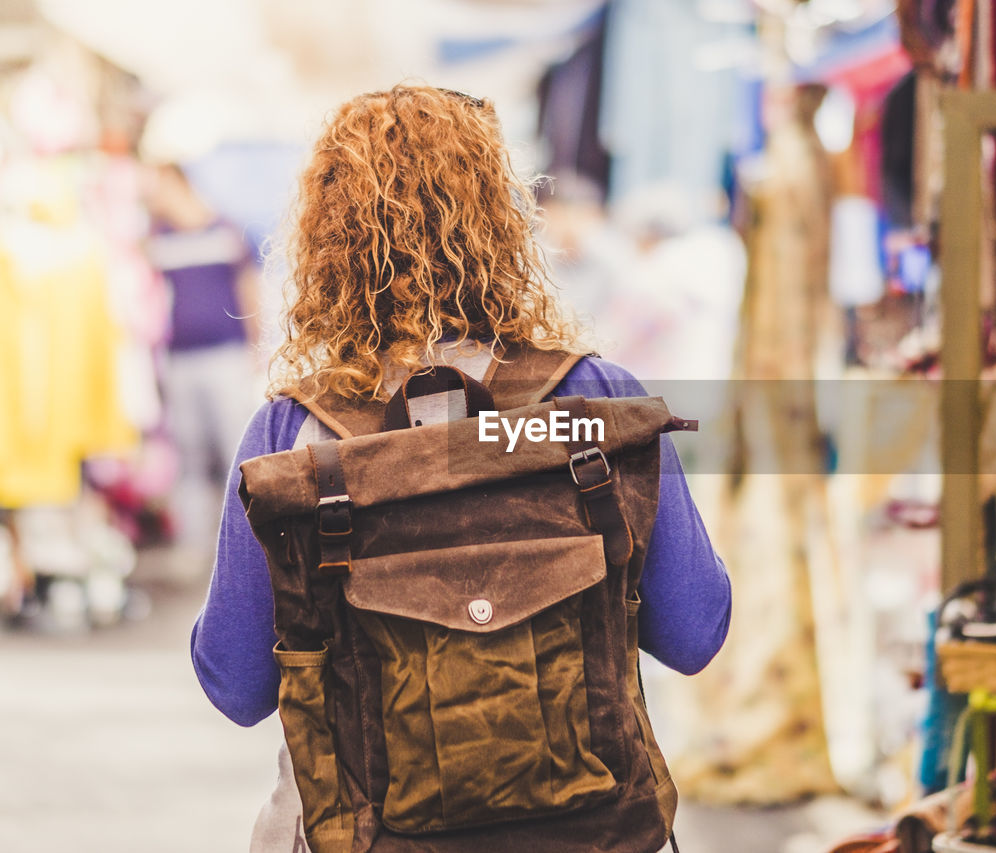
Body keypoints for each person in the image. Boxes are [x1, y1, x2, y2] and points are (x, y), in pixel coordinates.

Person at [190, 84, 731, 851]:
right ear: (503, 224)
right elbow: (696, 630)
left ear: (327, 243)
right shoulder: (597, 398)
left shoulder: (291, 433)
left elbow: (235, 682)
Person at [143, 162, 261, 573]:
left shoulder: (225, 230)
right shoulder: (156, 239)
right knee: (187, 455)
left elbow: (249, 289)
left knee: (235, 451)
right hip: (178, 362)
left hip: (225, 358)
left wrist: (256, 347)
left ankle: (247, 548)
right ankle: (193, 548)